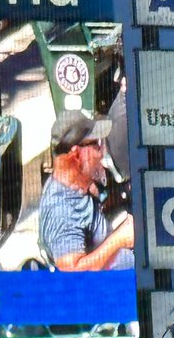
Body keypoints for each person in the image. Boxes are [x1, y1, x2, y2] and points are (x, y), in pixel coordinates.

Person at [38, 110, 134, 270]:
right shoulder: (62, 211)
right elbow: (73, 273)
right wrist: (120, 239)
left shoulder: (75, 183)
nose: (102, 151)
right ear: (76, 154)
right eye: (96, 145)